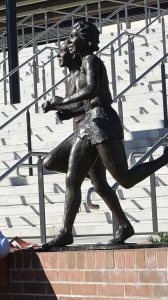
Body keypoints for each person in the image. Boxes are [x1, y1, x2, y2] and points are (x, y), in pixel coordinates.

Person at [42, 20, 168, 247]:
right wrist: (63, 109)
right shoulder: (81, 66)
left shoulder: (92, 60)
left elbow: (92, 89)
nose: (70, 42)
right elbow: (87, 100)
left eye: (73, 37)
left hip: (103, 122)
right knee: (73, 178)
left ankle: (164, 158)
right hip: (90, 123)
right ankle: (66, 232)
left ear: (86, 39)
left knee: (125, 179)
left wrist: (61, 102)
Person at [42, 41, 134, 246]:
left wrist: (61, 103)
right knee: (98, 184)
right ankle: (124, 225)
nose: (59, 55)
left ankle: (67, 231)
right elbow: (83, 106)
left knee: (79, 179)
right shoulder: (75, 75)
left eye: (62, 51)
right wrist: (65, 112)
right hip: (86, 130)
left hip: (92, 130)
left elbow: (93, 98)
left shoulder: (87, 66)